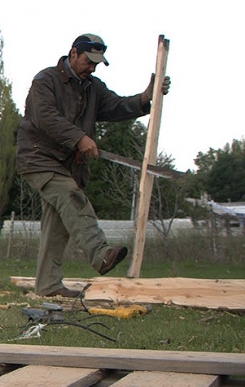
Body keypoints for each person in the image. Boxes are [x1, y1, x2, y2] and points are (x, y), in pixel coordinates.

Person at [16, 33, 171, 298]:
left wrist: (146, 98)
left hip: (68, 166)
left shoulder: (92, 87)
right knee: (73, 198)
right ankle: (100, 254)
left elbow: (117, 106)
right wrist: (79, 138)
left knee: (57, 226)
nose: (92, 68)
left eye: (97, 64)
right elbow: (46, 118)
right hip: (38, 158)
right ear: (73, 54)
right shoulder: (45, 81)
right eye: (88, 61)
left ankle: (48, 287)